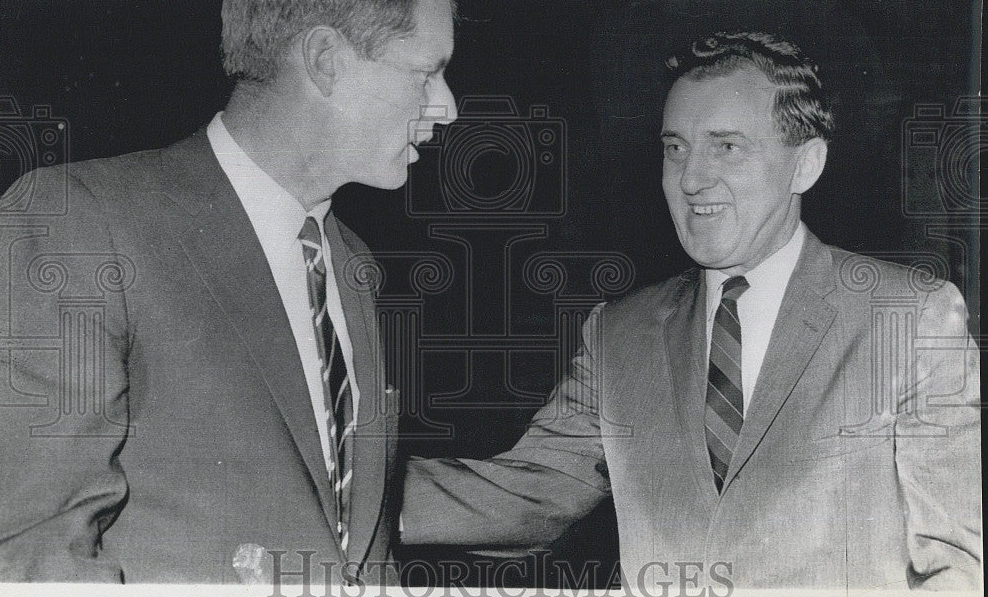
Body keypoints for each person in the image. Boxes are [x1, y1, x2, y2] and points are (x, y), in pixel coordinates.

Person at [401, 31, 981, 592]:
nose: (693, 178)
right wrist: (340, 491)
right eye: (675, 148)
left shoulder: (908, 317)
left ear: (805, 165)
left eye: (726, 146)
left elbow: (960, 566)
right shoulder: (619, 333)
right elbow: (528, 494)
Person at [0, 0, 457, 584]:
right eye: (426, 71)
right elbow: (28, 555)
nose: (447, 106)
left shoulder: (353, 265)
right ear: (326, 61)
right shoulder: (80, 221)